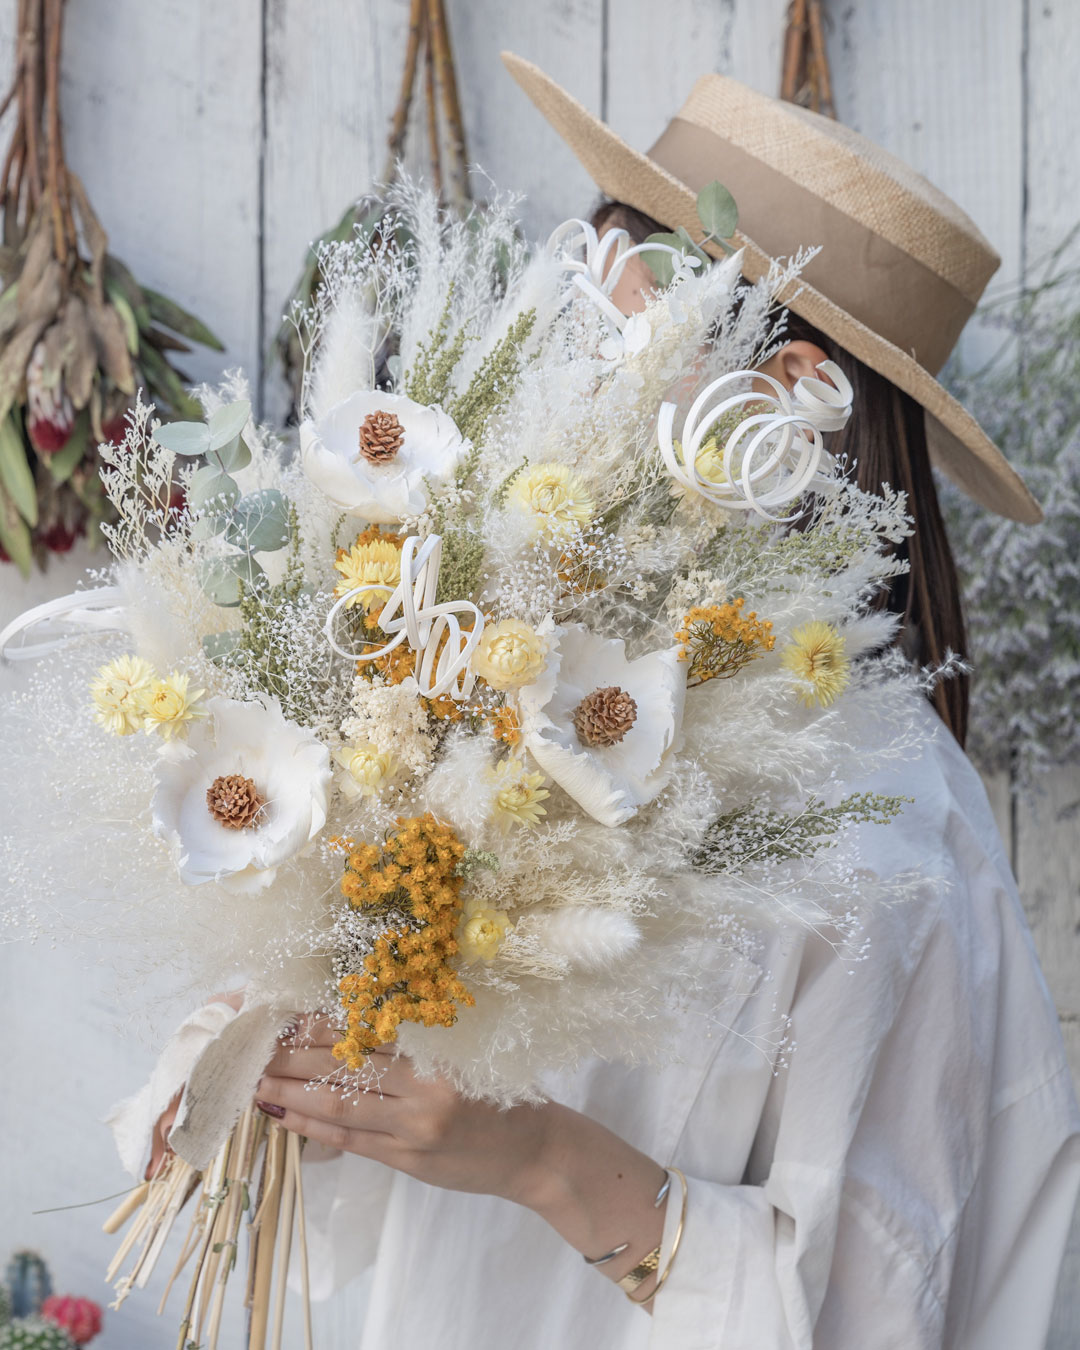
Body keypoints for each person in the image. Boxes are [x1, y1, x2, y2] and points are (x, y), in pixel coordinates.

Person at [139, 54, 1080, 1348]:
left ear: (784, 392)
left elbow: (877, 1302)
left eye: (610, 316)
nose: (563, 353)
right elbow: (374, 1165)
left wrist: (535, 1155)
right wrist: (287, 1052)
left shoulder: (890, 829)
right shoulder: (516, 661)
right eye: (574, 289)